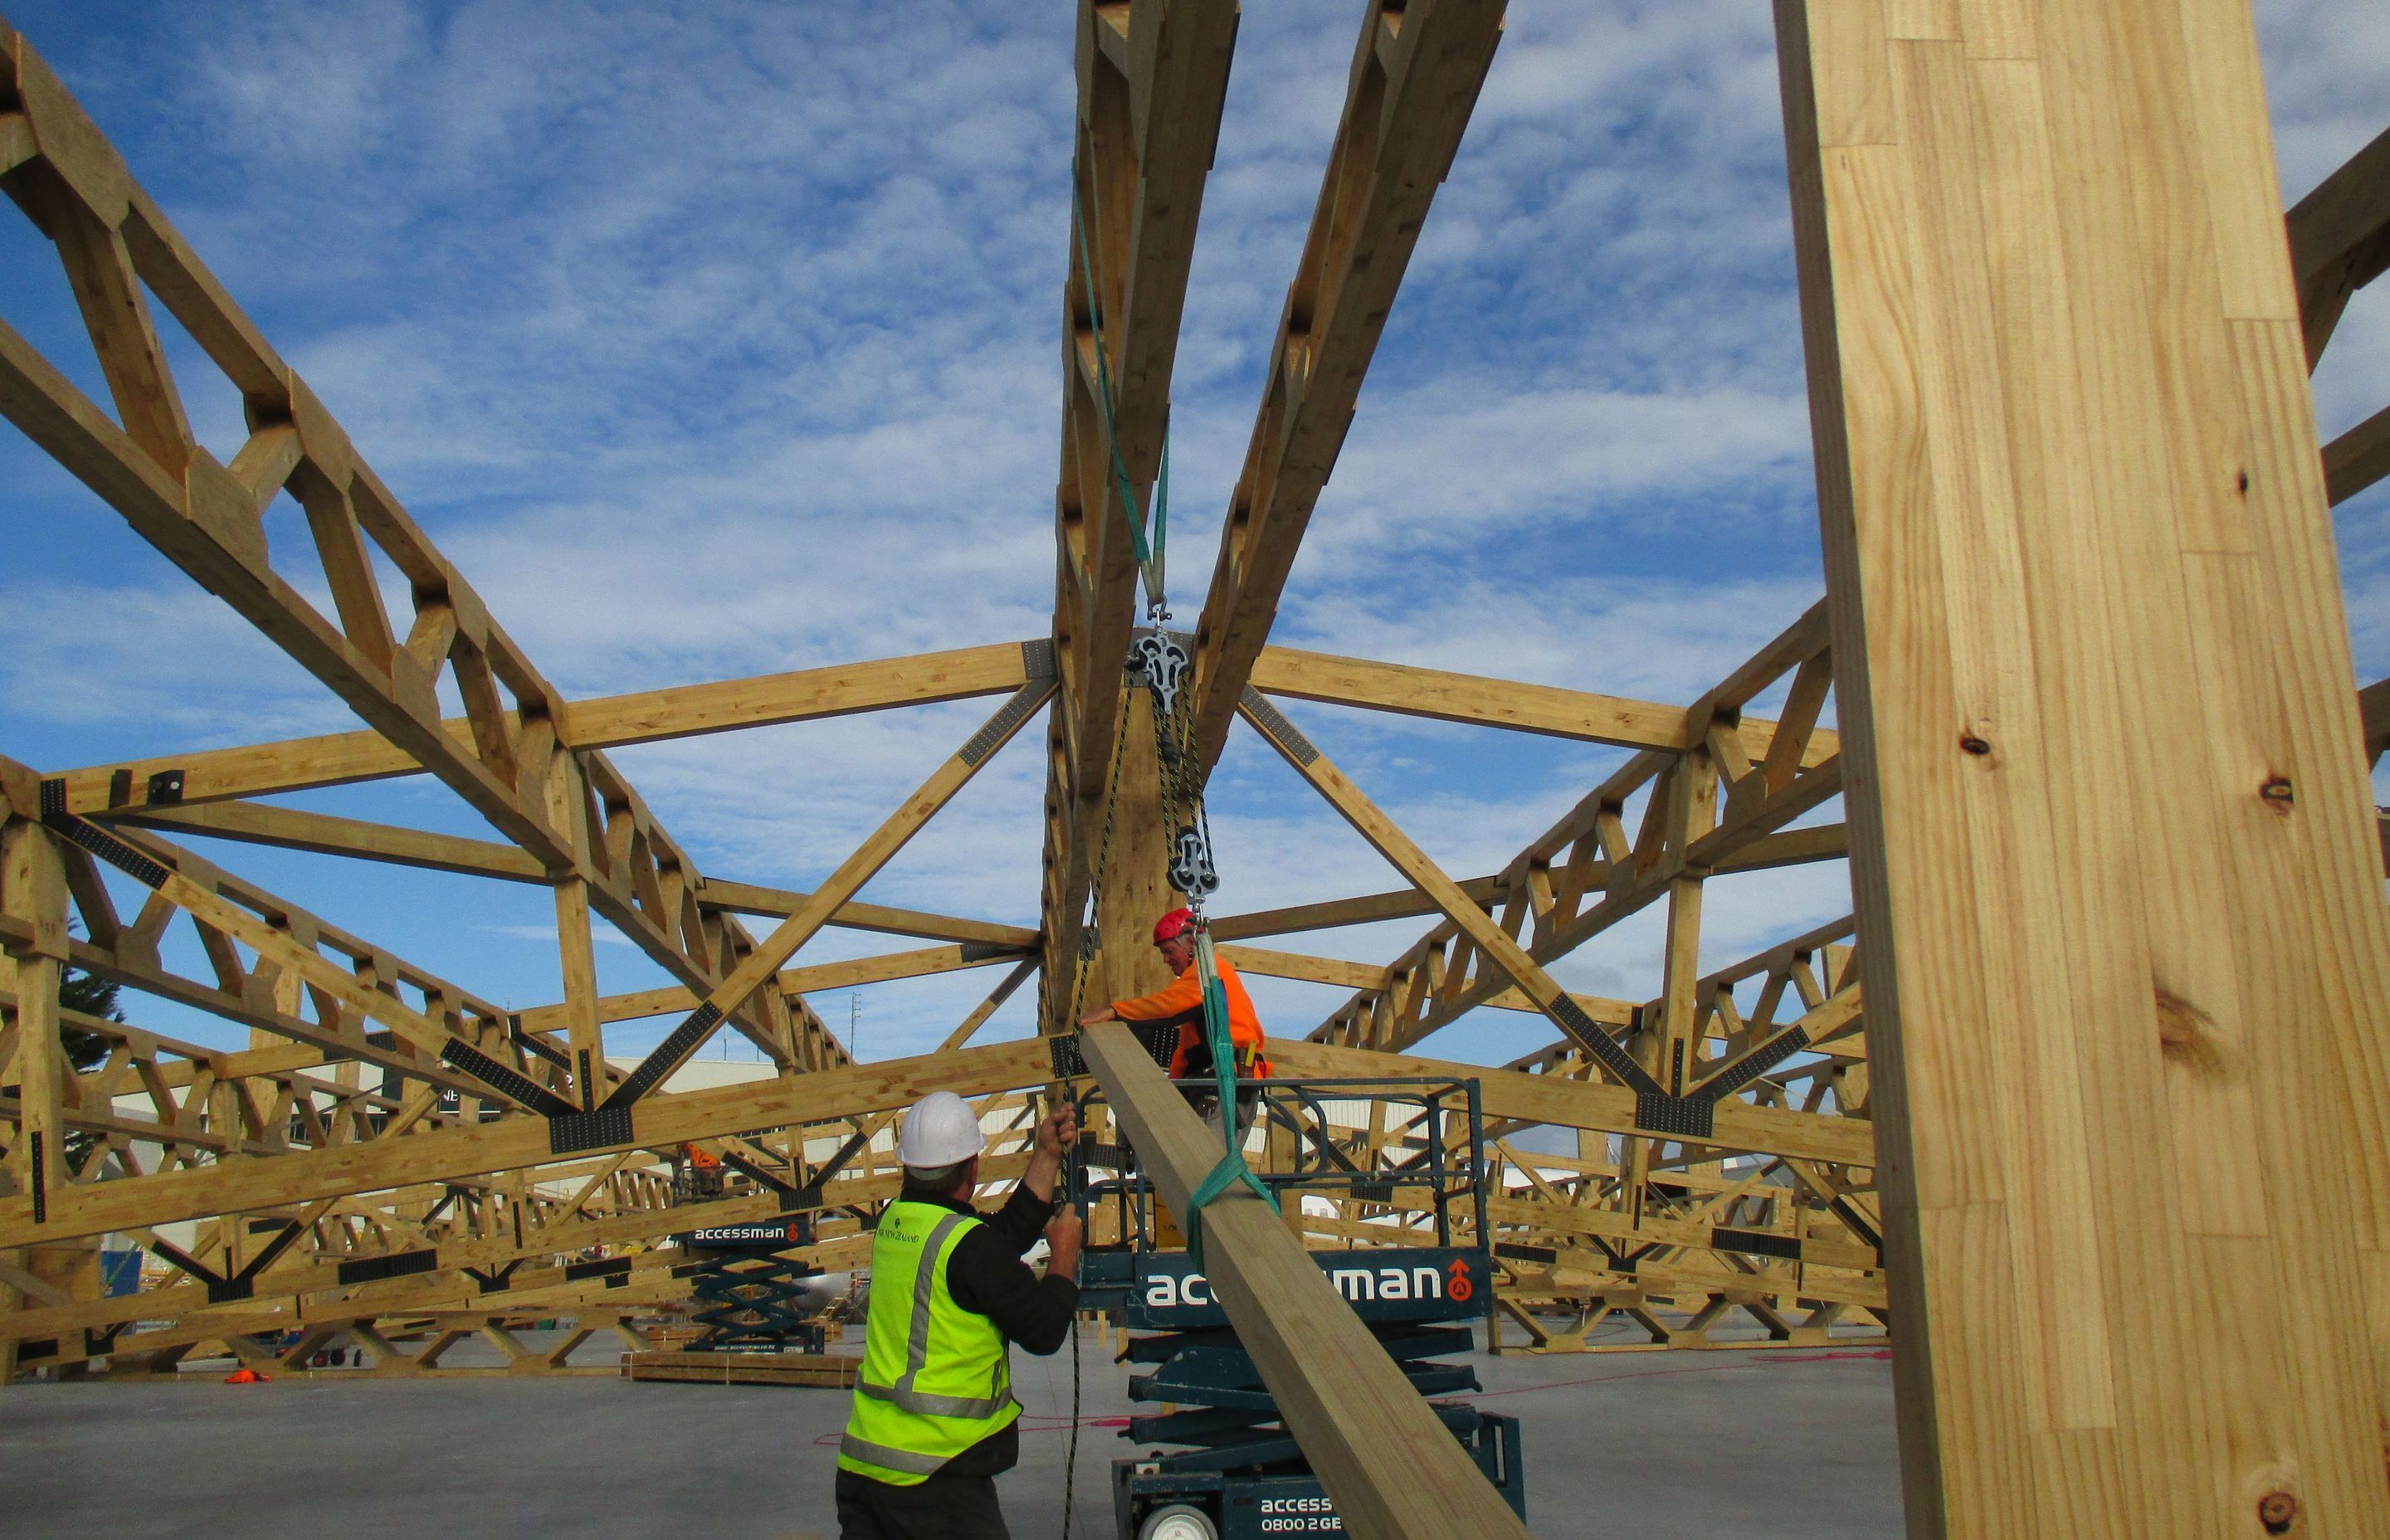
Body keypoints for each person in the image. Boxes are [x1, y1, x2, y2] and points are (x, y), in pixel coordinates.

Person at [836, 1089, 1082, 1539]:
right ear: (973, 1168)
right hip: (936, 1481)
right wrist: (1064, 1254)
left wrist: (1047, 1155)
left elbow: (999, 1238)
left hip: (866, 1470)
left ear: (908, 1166)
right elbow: (1044, 1331)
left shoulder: (897, 1222)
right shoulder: (967, 1246)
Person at [1078, 907, 1271, 1137]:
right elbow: (1185, 1049)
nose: (1166, 960)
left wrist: (1115, 1011)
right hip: (1221, 1081)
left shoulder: (1207, 973)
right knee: (1201, 1162)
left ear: (1190, 943)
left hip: (1228, 1081)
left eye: (1169, 951)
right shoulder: (1202, 985)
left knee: (1207, 1163)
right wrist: (1173, 1087)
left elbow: (1165, 1008)